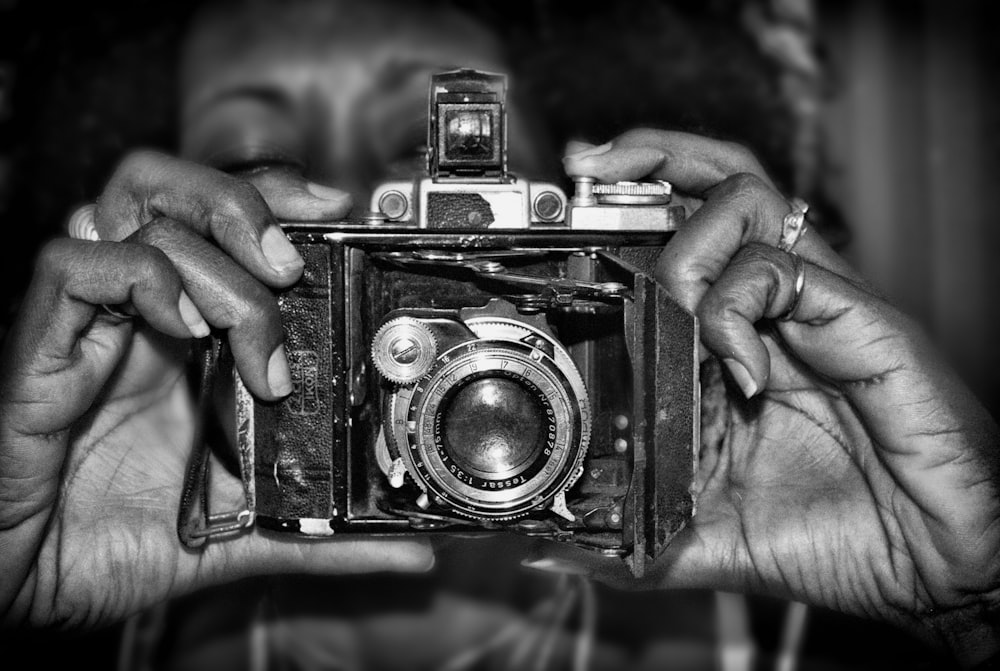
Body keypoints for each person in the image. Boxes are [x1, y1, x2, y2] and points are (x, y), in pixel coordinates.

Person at [1, 0, 998, 669]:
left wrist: (970, 597)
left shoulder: (789, 621)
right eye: (255, 159)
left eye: (409, 149)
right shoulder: (111, 590)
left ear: (563, 206)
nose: (350, 199)